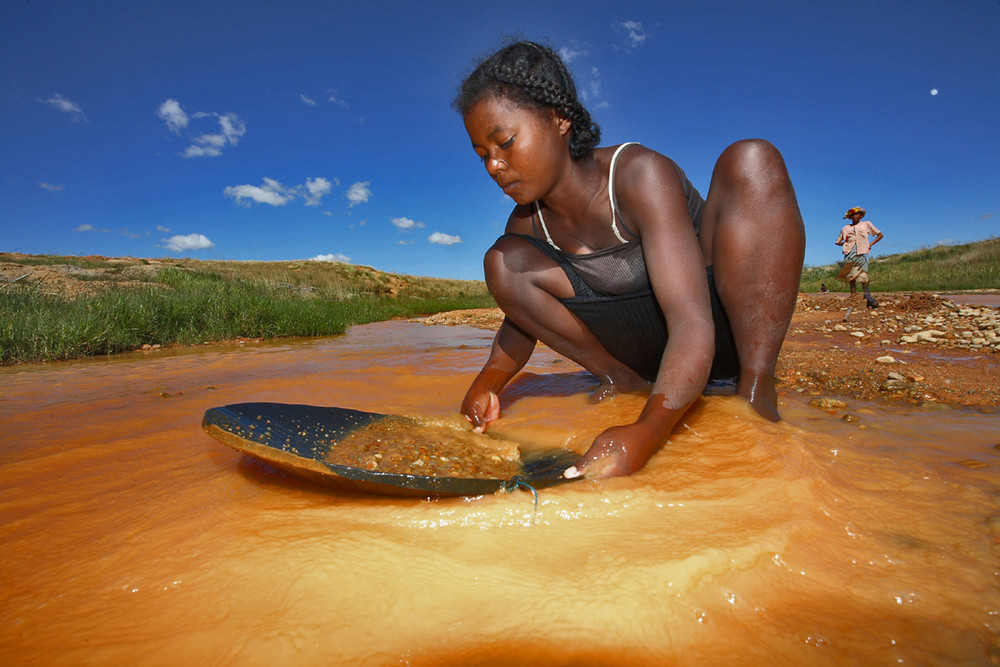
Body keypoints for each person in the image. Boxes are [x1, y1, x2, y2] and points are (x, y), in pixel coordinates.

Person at [453, 41, 805, 479]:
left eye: (504, 142)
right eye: (482, 155)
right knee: (502, 261)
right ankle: (623, 382)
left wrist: (648, 432)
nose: (494, 166)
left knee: (752, 158)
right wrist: (487, 384)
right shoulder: (526, 225)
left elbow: (692, 322)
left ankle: (756, 391)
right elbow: (521, 321)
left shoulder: (638, 174)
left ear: (558, 118)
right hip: (643, 360)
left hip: (713, 334)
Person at [835, 206, 883, 297]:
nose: (855, 216)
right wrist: (846, 243)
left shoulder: (866, 224)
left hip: (862, 251)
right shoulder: (845, 228)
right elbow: (837, 242)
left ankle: (866, 293)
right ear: (850, 217)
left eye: (857, 214)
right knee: (851, 274)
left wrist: (870, 245)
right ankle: (853, 294)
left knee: (863, 272)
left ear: (861, 216)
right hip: (849, 253)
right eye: (852, 215)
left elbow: (880, 235)